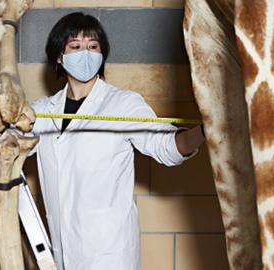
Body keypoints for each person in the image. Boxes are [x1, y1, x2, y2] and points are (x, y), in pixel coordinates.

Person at [28, 12, 205, 270]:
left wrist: (205, 130)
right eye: (75, 47)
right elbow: (11, 138)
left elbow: (166, 146)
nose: (85, 53)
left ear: (102, 54)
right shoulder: (45, 110)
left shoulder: (122, 103)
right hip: (62, 252)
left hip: (109, 255)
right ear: (59, 56)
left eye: (93, 46)